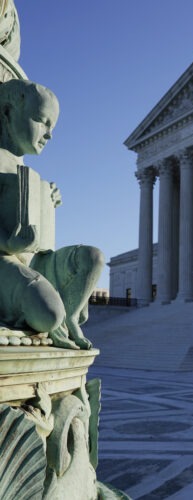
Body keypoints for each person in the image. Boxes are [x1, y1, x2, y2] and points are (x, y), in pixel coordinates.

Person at [0, 79, 103, 349]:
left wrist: (46, 200)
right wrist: (7, 242)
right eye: (41, 120)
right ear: (8, 112)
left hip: (38, 260)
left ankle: (70, 318)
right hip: (5, 261)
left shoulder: (25, 170)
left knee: (92, 257)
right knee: (48, 314)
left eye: (52, 126)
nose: (49, 134)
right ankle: (57, 317)